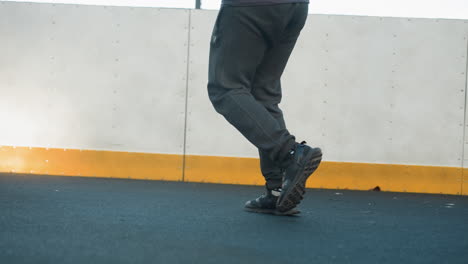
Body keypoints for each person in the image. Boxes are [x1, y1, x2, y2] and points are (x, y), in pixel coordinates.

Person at [207, 0, 322, 215]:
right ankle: (278, 189)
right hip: (295, 7)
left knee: (225, 89)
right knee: (263, 93)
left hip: (250, 7)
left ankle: (290, 153)